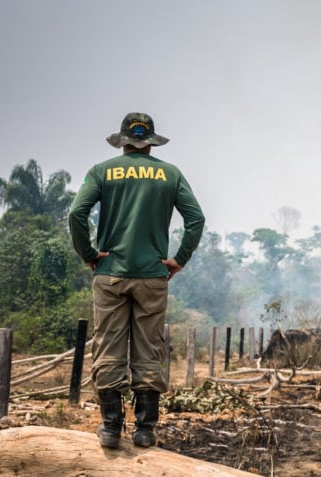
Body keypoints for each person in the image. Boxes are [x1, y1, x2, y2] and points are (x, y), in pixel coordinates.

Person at [69, 112, 205, 449]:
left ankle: (112, 429)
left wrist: (88, 254)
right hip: (153, 276)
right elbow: (196, 219)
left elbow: (76, 214)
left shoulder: (102, 171)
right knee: (150, 347)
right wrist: (179, 259)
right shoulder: (170, 174)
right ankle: (145, 430)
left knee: (108, 346)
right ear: (151, 142)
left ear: (123, 140)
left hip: (110, 274)